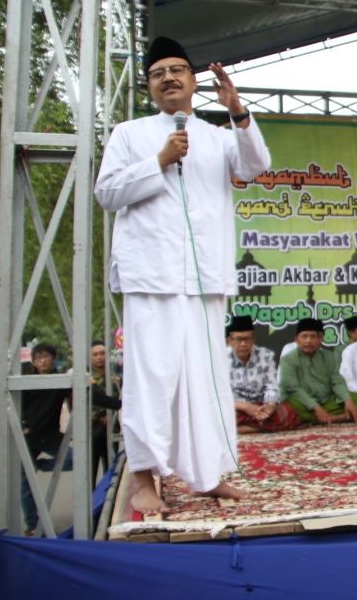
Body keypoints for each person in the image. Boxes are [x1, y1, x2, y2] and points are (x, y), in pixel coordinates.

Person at [94, 36, 270, 513]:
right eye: (158, 73)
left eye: (178, 70)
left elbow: (256, 165)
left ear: (193, 81)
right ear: (149, 86)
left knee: (206, 380)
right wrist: (159, 161)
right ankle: (143, 477)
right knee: (152, 378)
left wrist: (237, 112)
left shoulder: (217, 135)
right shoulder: (129, 134)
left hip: (204, 276)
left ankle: (206, 475)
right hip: (151, 276)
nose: (169, 78)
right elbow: (107, 193)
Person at [20, 343, 71, 536]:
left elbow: (83, 395)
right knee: (24, 482)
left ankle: (38, 465)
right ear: (33, 361)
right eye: (38, 357)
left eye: (46, 356)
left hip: (51, 436)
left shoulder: (60, 382)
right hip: (29, 437)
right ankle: (33, 525)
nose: (42, 360)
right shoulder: (25, 382)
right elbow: (12, 405)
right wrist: (22, 425)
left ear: (53, 359)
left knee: (71, 459)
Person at [280, 318, 357, 424]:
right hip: (303, 403)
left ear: (319, 339)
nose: (308, 340)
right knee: (288, 406)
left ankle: (320, 418)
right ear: (296, 339)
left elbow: (337, 381)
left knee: (355, 397)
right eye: (304, 336)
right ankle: (334, 418)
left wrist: (347, 400)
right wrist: (316, 407)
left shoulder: (328, 357)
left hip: (326, 401)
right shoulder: (288, 360)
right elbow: (292, 388)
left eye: (313, 337)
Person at [226, 315, 298, 434]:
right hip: (236, 407)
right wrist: (246, 407)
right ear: (230, 341)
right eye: (238, 339)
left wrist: (270, 407)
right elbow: (218, 394)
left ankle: (238, 429)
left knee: (287, 411)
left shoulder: (265, 356)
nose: (243, 344)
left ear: (253, 339)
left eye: (247, 339)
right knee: (215, 413)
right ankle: (258, 427)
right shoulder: (220, 359)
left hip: (260, 405)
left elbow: (272, 386)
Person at [85, 341, 122, 479]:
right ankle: (91, 499)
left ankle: (109, 499)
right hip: (92, 428)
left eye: (102, 353)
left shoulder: (116, 376)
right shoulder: (86, 377)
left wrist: (112, 412)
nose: (99, 357)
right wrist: (118, 405)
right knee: (90, 470)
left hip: (111, 427)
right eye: (95, 354)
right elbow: (94, 398)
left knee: (111, 467)